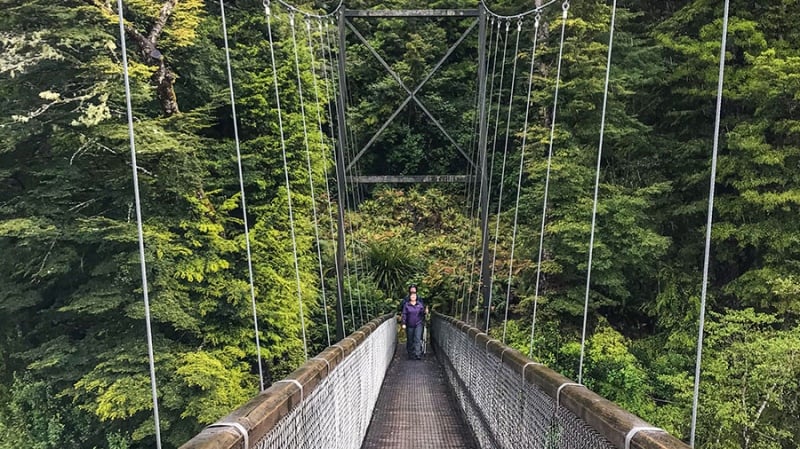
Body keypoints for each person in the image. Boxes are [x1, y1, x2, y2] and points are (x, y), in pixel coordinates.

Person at [401, 292, 426, 360]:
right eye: (412, 296)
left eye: (414, 296)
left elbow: (423, 313)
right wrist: (403, 323)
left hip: (418, 323)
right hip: (409, 324)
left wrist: (425, 311)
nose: (413, 297)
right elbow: (404, 314)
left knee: (417, 338)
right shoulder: (407, 305)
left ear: (416, 297)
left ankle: (417, 354)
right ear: (409, 297)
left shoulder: (419, 305)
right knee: (410, 339)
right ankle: (411, 353)